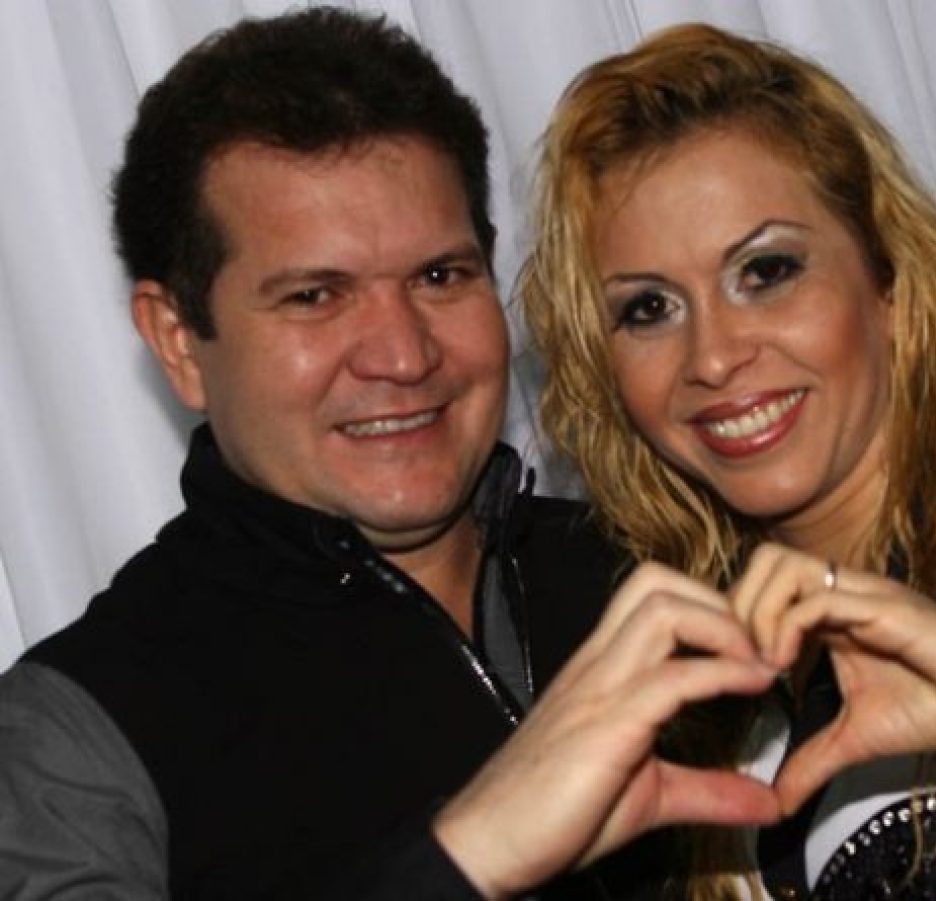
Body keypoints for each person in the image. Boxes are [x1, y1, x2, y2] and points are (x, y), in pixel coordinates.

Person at [0, 11, 787, 900]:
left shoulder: (674, 569)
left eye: (439, 277)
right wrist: (465, 854)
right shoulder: (79, 734)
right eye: (315, 296)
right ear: (179, 341)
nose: (404, 355)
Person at [521, 22, 936, 900]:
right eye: (648, 308)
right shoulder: (724, 730)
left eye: (766, 271)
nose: (713, 357)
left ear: (889, 284)